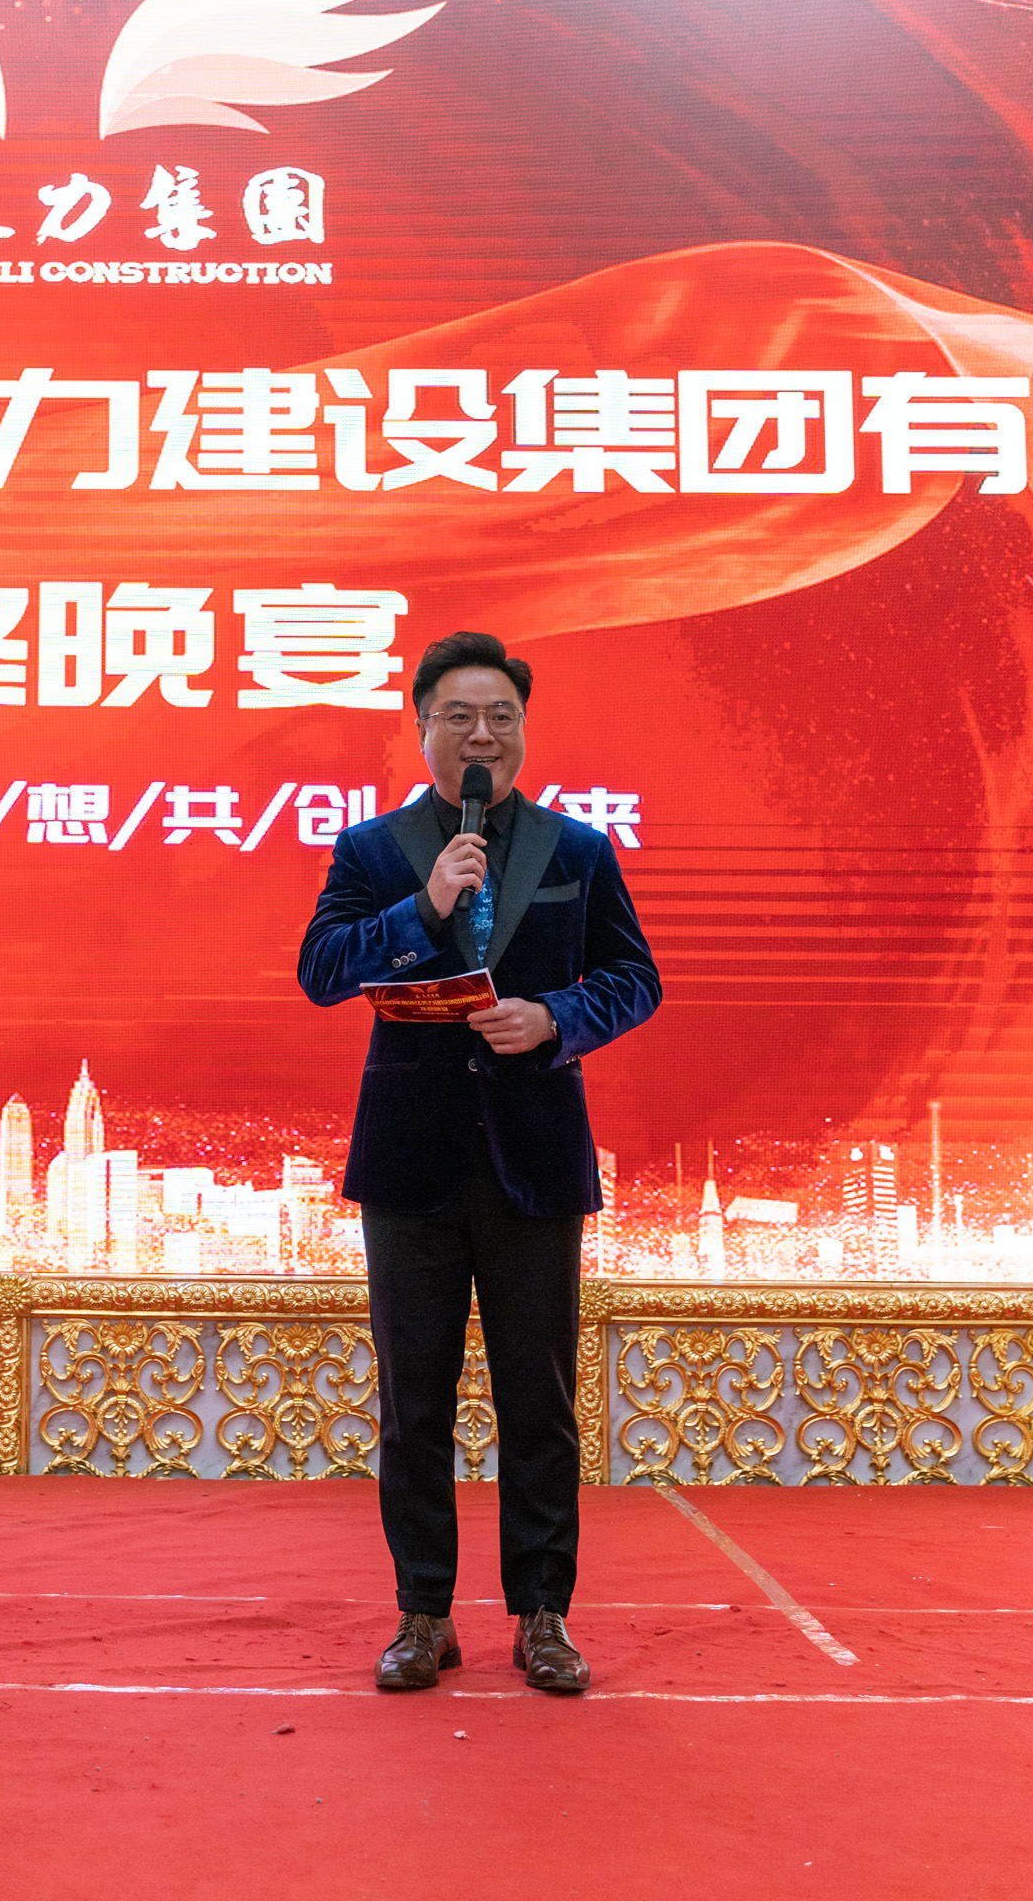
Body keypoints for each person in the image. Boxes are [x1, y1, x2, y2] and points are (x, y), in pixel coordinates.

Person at [297, 631, 661, 1695]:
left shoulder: (577, 849)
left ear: (522, 729)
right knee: (414, 1401)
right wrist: (425, 909)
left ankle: (544, 1615)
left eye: (501, 715)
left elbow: (635, 978)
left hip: (533, 1155)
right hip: (410, 1159)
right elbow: (322, 968)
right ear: (422, 729)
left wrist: (556, 1018)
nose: (481, 735)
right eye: (458, 716)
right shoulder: (373, 850)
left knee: (538, 1400)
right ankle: (423, 1614)